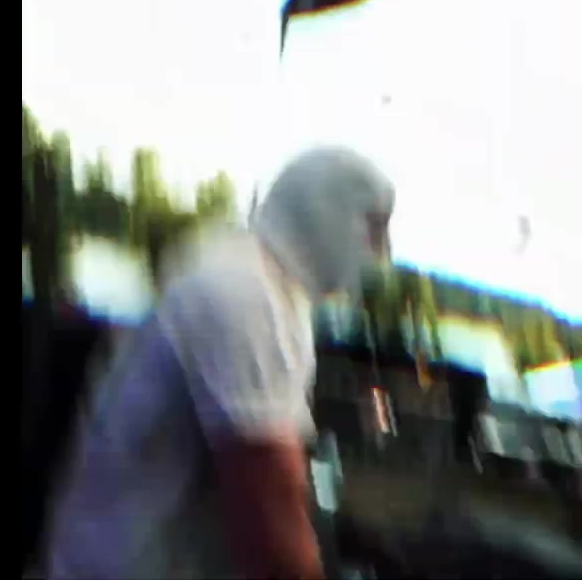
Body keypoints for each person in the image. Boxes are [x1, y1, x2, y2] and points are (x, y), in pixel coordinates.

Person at [42, 146, 396, 580]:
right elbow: (272, 524)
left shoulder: (259, 279)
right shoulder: (247, 296)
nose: (381, 254)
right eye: (373, 230)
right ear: (326, 212)